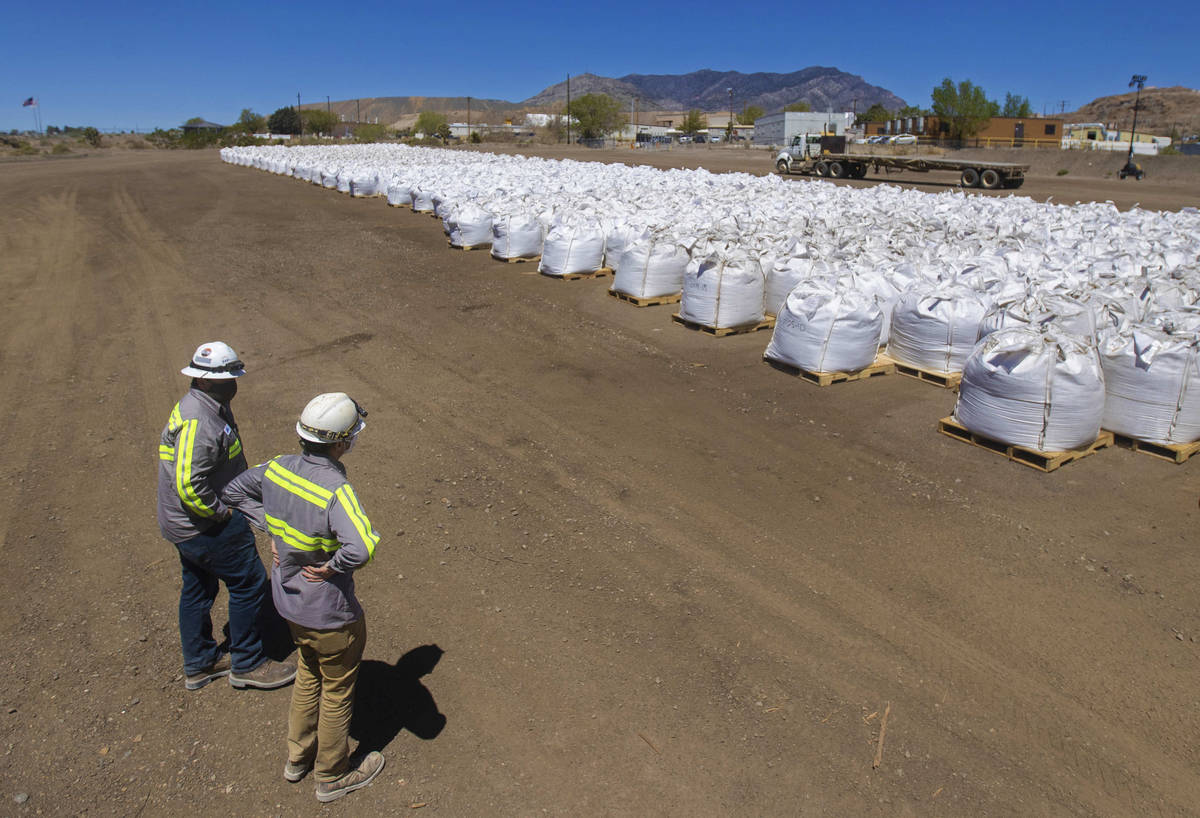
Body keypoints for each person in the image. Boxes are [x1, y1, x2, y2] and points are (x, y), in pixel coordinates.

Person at [222, 392, 385, 803]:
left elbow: (234, 493)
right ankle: (331, 774)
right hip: (329, 613)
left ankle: (297, 758)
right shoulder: (336, 489)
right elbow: (362, 547)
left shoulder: (275, 468)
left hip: (289, 603)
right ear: (340, 443)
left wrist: (272, 530)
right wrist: (332, 566)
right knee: (336, 689)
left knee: (308, 673)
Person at [157, 342, 297, 691]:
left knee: (197, 587)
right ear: (204, 381)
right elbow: (189, 485)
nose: (233, 383)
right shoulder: (200, 421)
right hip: (203, 524)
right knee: (249, 583)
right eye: (226, 378)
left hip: (183, 525)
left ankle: (201, 664)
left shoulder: (206, 405)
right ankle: (248, 663)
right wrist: (222, 514)